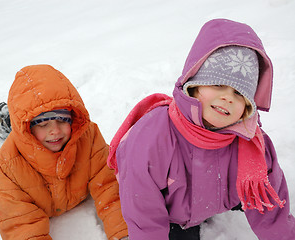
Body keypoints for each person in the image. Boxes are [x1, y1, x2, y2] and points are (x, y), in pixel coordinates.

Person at [107, 19, 295, 240]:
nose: (227, 98)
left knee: (252, 191)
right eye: (217, 85)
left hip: (215, 195)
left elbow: (272, 213)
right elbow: (143, 210)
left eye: (239, 94)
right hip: (171, 214)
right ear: (194, 85)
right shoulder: (152, 138)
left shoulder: (251, 142)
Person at [0, 64, 129, 240]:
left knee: (37, 121)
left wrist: (124, 232)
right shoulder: (9, 167)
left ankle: (10, 117)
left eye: (62, 120)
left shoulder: (88, 138)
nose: (55, 130)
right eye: (43, 124)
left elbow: (109, 187)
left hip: (31, 144)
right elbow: (23, 227)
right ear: (27, 128)